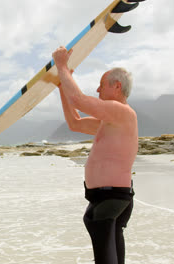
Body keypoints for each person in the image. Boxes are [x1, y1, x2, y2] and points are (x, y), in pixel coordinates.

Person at [52, 46, 138, 264]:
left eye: (101, 86)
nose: (98, 91)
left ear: (117, 86)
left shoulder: (122, 112)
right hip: (108, 196)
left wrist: (62, 65)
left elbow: (79, 100)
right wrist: (62, 85)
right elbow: (75, 122)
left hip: (112, 196)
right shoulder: (109, 120)